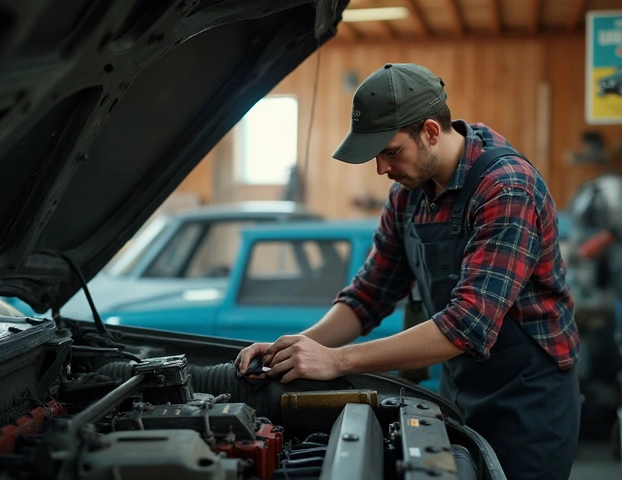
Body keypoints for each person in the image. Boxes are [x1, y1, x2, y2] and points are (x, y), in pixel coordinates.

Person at [235, 63, 581, 479]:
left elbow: (467, 324)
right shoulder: (408, 196)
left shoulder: (506, 188)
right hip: (460, 388)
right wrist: (294, 349)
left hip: (529, 399)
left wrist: (337, 361)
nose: (382, 169)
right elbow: (367, 296)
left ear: (431, 131)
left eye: (391, 151)